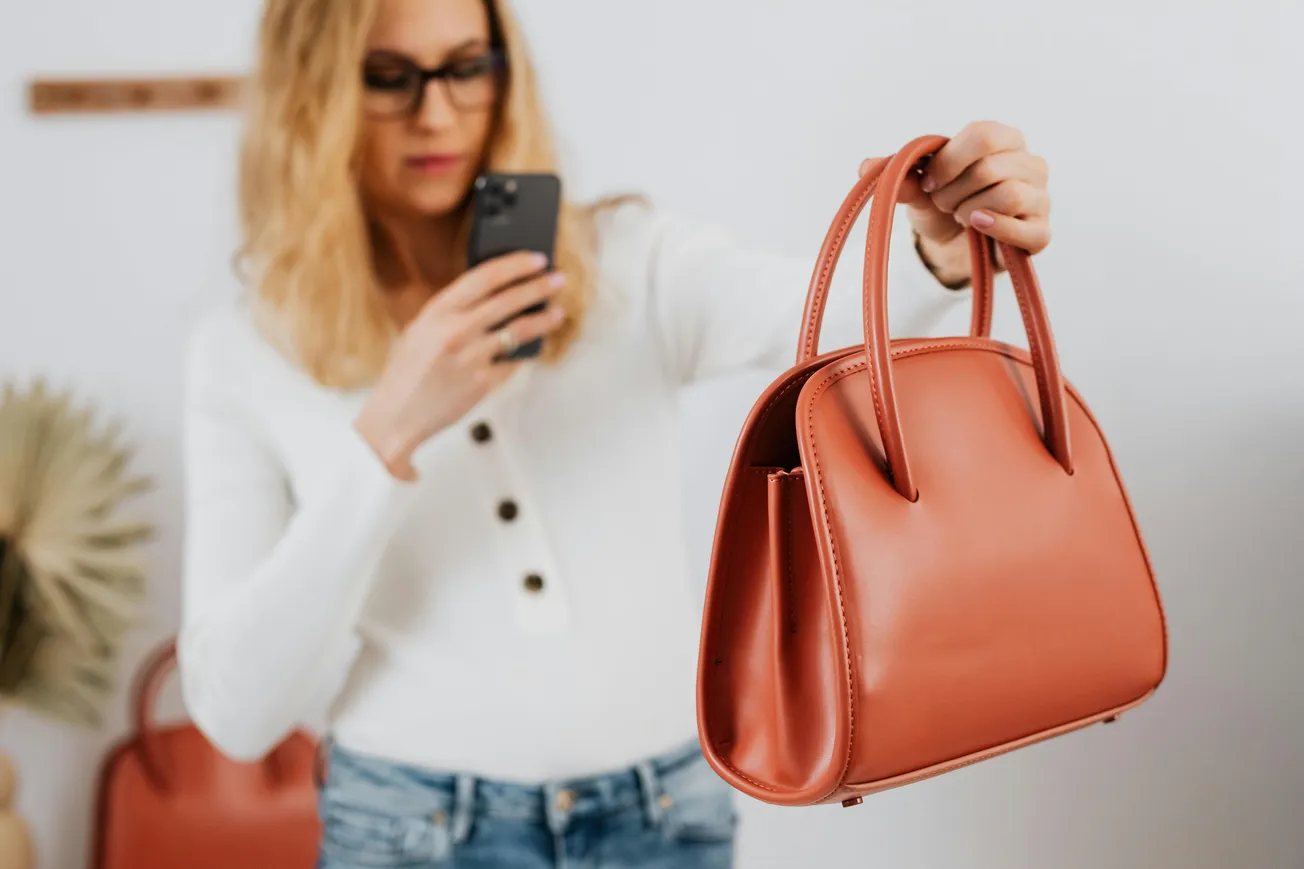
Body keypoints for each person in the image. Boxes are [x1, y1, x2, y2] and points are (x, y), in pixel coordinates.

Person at [176, 0, 1053, 866]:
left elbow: (814, 326)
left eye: (465, 67)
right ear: (312, 90)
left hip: (666, 810)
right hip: (411, 828)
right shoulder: (246, 346)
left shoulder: (626, 258)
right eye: (388, 77)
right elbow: (237, 711)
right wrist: (386, 435)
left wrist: (937, 250)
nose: (436, 113)